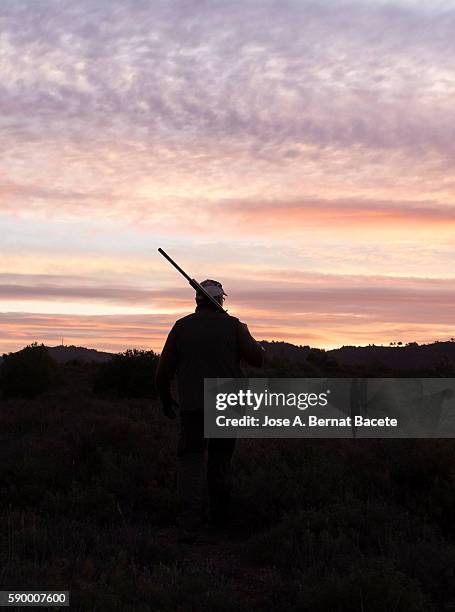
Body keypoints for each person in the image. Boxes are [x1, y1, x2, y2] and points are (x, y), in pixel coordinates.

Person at [155, 279, 263, 540]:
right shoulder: (235, 326)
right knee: (219, 463)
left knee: (191, 463)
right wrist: (244, 332)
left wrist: (166, 399)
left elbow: (163, 372)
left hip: (193, 407)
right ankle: (219, 521)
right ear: (221, 301)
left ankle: (190, 523)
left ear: (196, 301)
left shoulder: (181, 327)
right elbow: (258, 359)